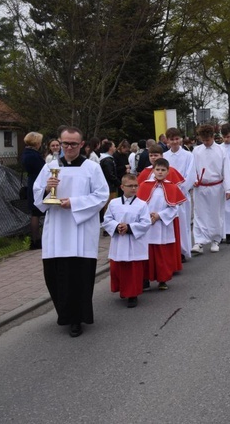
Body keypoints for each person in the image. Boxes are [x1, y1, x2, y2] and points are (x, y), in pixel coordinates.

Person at [32, 126, 110, 337]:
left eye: (73, 144)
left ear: (81, 145)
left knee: (79, 276)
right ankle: (64, 314)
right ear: (59, 142)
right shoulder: (50, 167)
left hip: (80, 230)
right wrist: (48, 189)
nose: (68, 147)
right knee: (55, 275)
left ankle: (78, 318)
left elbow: (102, 196)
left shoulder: (91, 168)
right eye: (65, 143)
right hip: (57, 229)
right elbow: (37, 198)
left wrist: (74, 203)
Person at [102, 173, 151, 308]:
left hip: (134, 241)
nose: (134, 188)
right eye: (130, 186)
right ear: (122, 187)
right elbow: (107, 220)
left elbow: (146, 223)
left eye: (136, 186)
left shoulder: (142, 204)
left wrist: (129, 227)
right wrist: (116, 226)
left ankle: (133, 294)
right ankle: (123, 289)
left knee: (133, 269)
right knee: (119, 267)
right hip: (119, 241)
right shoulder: (113, 203)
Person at [137, 158, 186, 291]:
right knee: (146, 253)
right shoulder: (144, 185)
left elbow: (174, 208)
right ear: (153, 170)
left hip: (163, 225)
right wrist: (147, 216)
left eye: (163, 170)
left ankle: (162, 279)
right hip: (147, 224)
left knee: (162, 254)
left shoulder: (172, 186)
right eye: (157, 169)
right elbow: (139, 205)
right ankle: (145, 279)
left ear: (167, 172)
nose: (160, 172)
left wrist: (159, 216)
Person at [191, 124, 230, 253]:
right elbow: (192, 169)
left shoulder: (221, 151)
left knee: (215, 214)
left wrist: (228, 189)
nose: (205, 143)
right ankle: (199, 241)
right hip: (200, 187)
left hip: (216, 187)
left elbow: (226, 170)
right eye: (203, 140)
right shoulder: (196, 151)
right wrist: (193, 180)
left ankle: (215, 239)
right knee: (199, 214)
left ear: (213, 137)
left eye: (207, 140)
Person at [163, 128, 196, 261]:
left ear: (181, 139)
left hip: (181, 195)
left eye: (177, 139)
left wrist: (180, 190)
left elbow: (190, 175)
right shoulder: (164, 156)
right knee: (169, 224)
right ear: (167, 141)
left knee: (183, 223)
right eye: (172, 139)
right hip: (166, 195)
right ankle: (171, 251)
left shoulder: (188, 155)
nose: (175, 142)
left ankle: (182, 250)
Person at [21, 132, 46, 250]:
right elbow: (42, 169)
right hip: (37, 182)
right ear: (36, 142)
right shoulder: (33, 155)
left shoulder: (27, 153)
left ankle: (36, 239)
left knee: (35, 213)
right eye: (40, 141)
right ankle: (36, 240)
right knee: (36, 213)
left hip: (33, 181)